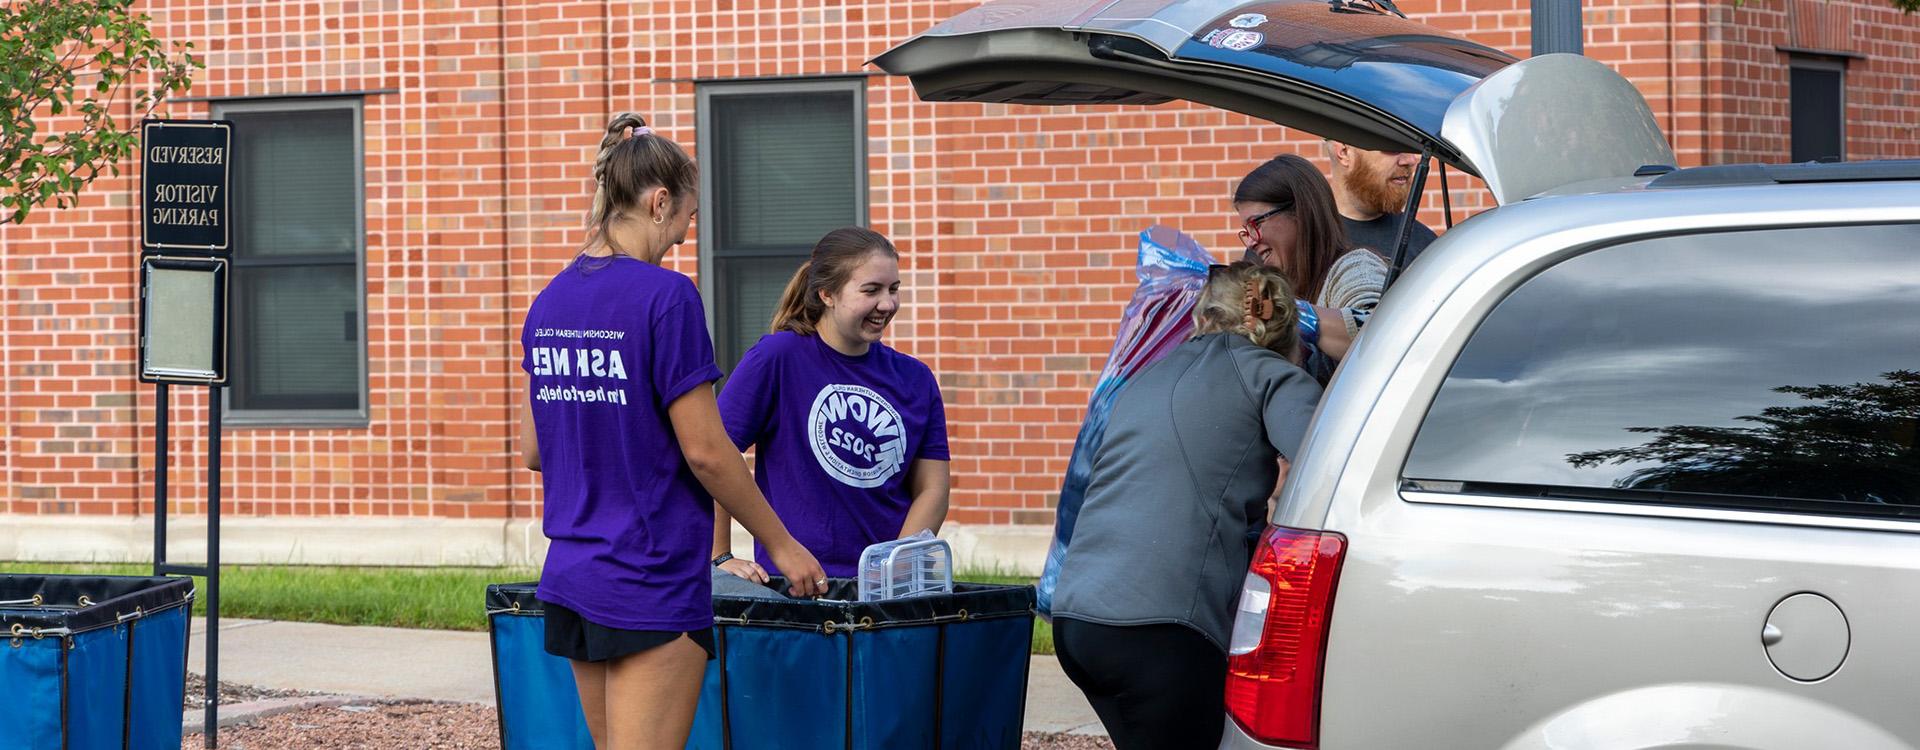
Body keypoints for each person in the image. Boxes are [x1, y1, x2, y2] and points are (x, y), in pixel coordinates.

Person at [520, 112, 827, 750]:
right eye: (686, 218)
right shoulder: (667, 296)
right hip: (649, 575)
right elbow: (708, 453)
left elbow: (532, 450)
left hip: (573, 573)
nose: (686, 237)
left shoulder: (548, 299)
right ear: (659, 202)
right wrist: (784, 545)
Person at [1051, 262, 1322, 750]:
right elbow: (1331, 469)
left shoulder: (1149, 375)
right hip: (1162, 627)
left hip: (1079, 619)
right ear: (1284, 323)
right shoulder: (1272, 376)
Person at [711, 226, 951, 582]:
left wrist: (893, 567)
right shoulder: (778, 358)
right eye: (871, 290)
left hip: (884, 596)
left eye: (893, 289)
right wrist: (719, 557)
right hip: (796, 590)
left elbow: (933, 488)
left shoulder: (915, 378)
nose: (887, 304)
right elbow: (715, 456)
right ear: (826, 294)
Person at [1235, 153, 1383, 371]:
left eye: (1255, 223)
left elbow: (1377, 337)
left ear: (1301, 212)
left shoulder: (1356, 267)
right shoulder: (1290, 283)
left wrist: (1287, 311)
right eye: (1246, 231)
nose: (1251, 242)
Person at [1325, 140, 1439, 268]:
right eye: (1393, 147)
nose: (1410, 160)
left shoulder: (1425, 247)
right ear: (1344, 153)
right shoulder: (1305, 236)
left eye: (1411, 147)